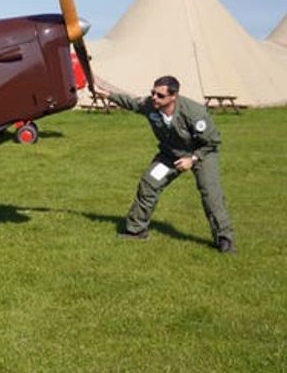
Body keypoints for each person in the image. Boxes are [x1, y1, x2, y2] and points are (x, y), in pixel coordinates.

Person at [94, 76, 236, 253]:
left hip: (201, 153)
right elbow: (131, 103)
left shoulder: (194, 113)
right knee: (149, 184)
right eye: (153, 93)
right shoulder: (150, 105)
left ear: (173, 96)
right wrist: (106, 94)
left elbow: (213, 141)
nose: (154, 97)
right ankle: (136, 231)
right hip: (171, 154)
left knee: (211, 193)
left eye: (160, 95)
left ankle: (225, 240)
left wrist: (192, 159)